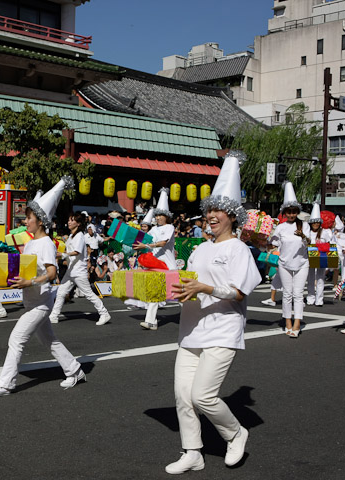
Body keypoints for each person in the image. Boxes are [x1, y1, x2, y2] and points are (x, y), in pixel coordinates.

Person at [166, 153, 261, 475]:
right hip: (191, 330)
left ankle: (236, 433)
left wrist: (205, 289)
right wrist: (168, 291)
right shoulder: (199, 248)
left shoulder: (239, 250)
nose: (212, 216)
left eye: (220, 211)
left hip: (223, 329)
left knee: (204, 396)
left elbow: (239, 292)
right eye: (209, 210)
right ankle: (192, 451)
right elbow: (188, 285)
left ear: (233, 216)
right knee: (182, 396)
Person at [0, 177, 85, 396]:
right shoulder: (29, 243)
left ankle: (6, 384)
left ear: (40, 221)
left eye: (29, 218)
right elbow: (25, 268)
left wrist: (29, 282)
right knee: (50, 341)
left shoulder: (47, 243)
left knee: (16, 339)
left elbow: (51, 273)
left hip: (40, 302)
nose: (25, 221)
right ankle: (75, 370)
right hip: (30, 300)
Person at [49, 212, 110, 326]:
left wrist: (62, 255)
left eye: (72, 220)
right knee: (61, 292)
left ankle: (104, 313)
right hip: (71, 270)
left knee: (88, 294)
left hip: (78, 271)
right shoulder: (72, 236)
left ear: (78, 223)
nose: (69, 222)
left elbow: (77, 252)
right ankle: (54, 315)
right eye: (69, 220)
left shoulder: (80, 236)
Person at [269, 182, 308, 338]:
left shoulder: (304, 225)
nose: (291, 214)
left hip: (302, 263)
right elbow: (274, 243)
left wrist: (303, 236)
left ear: (297, 212)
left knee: (298, 294)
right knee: (287, 294)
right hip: (284, 263)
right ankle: (288, 323)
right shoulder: (280, 227)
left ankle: (297, 323)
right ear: (285, 213)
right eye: (289, 212)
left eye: (294, 212)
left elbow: (309, 243)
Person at [135, 188, 176, 331]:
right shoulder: (154, 230)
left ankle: (198, 312)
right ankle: (151, 321)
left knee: (180, 294)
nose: (158, 218)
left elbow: (162, 243)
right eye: (157, 215)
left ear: (167, 217)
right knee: (155, 293)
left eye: (161, 215)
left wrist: (146, 245)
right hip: (157, 266)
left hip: (169, 267)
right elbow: (144, 238)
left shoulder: (170, 227)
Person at [305, 204, 332, 307]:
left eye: (317, 222)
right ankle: (310, 297)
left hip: (322, 257)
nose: (316, 224)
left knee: (320, 278)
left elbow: (329, 244)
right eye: (314, 222)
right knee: (310, 278)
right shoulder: (307, 232)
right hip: (309, 256)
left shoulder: (324, 232)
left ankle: (319, 299)